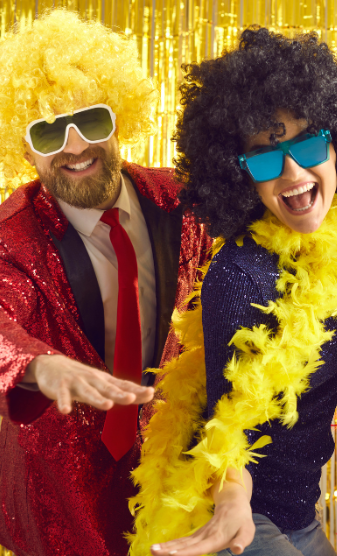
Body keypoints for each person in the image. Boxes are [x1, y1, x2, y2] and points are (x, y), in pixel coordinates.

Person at [129, 27, 337, 556]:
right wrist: (230, 501)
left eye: (308, 142)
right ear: (240, 174)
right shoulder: (240, 273)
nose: (292, 172)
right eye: (265, 157)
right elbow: (229, 427)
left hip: (300, 511)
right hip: (240, 516)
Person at [0, 9, 210, 556]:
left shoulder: (188, 202)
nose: (74, 148)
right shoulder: (10, 236)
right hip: (60, 502)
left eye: (90, 121)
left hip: (175, 486)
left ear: (119, 118)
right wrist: (34, 364)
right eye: (47, 131)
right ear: (24, 149)